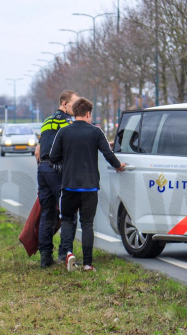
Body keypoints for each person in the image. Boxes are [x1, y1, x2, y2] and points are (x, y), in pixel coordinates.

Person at [50, 97, 126, 272]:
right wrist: (118, 166)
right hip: (90, 187)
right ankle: (87, 264)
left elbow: (54, 157)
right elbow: (108, 153)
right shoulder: (96, 132)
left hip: (69, 186)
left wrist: (67, 160)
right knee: (87, 224)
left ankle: (69, 253)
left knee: (68, 221)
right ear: (87, 113)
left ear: (75, 113)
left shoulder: (64, 132)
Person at [35, 90, 78, 268]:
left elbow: (37, 152)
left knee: (48, 213)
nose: (76, 108)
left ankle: (45, 257)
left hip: (42, 169)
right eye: (74, 104)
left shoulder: (46, 121)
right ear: (64, 104)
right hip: (57, 169)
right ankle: (64, 254)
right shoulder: (67, 122)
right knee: (69, 212)